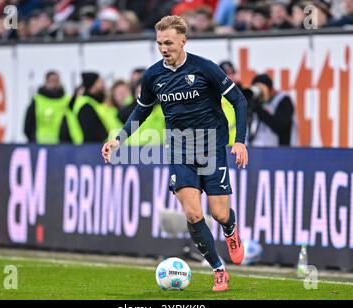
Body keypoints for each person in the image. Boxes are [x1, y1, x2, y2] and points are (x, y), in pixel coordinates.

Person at [101, 15, 248, 292]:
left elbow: (238, 100)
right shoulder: (154, 75)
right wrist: (119, 140)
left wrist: (239, 141)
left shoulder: (205, 69)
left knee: (219, 213)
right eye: (159, 43)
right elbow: (141, 111)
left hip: (212, 148)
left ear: (183, 40)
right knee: (193, 214)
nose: (164, 48)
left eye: (169, 42)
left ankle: (230, 229)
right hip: (179, 149)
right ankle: (219, 270)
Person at [63, 72, 123, 143]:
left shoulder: (93, 103)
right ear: (93, 84)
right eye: (100, 82)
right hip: (89, 149)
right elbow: (92, 133)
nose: (104, 86)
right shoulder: (86, 105)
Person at [247, 73, 295, 146]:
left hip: (280, 151)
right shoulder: (255, 104)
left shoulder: (283, 100)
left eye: (261, 89)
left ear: (270, 90)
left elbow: (280, 125)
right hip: (258, 150)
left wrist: (259, 110)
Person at [24, 71, 71, 144]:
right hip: (39, 144)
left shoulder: (66, 101)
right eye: (52, 81)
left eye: (56, 81)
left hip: (60, 145)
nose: (54, 84)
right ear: (45, 82)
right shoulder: (37, 101)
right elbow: (28, 125)